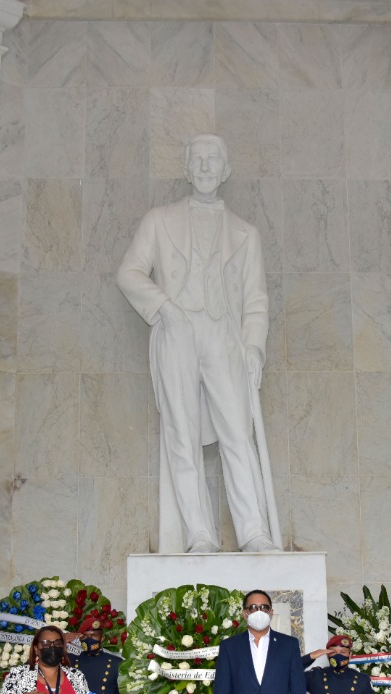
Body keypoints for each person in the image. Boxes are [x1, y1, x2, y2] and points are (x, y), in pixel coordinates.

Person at [117, 133, 279, 555]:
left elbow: (256, 297)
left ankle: (253, 532)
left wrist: (254, 347)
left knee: (237, 435)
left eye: (213, 160)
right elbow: (130, 272)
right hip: (176, 330)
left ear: (225, 171)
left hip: (224, 336)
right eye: (198, 160)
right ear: (187, 169)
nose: (206, 167)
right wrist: (164, 308)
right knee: (182, 433)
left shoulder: (246, 233)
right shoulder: (159, 220)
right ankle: (199, 534)